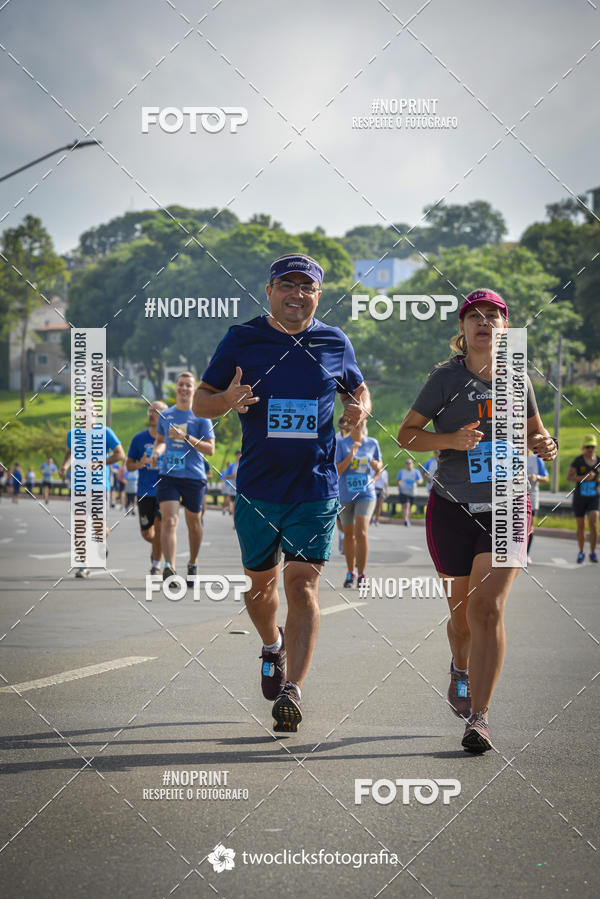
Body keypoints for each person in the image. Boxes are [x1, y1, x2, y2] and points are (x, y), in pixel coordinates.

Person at [192, 253, 369, 733]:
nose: (297, 294)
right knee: (260, 588)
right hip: (258, 487)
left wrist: (358, 409)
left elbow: (357, 389)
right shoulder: (241, 338)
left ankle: (292, 688)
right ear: (269, 291)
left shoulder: (334, 341)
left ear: (318, 295)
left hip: (316, 486)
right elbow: (200, 401)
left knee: (302, 584)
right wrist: (226, 400)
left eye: (306, 287)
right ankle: (272, 644)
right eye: (287, 285)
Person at [398, 288, 557, 753]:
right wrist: (450, 440)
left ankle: (480, 717)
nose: (484, 322)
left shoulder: (517, 380)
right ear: (463, 329)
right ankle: (460, 667)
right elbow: (408, 436)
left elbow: (537, 435)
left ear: (505, 328)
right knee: (462, 618)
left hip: (508, 504)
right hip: (452, 506)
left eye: (493, 316)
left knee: (487, 608)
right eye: (475, 316)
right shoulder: (444, 379)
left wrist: (545, 444)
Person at [151, 371, 215, 585]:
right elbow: (161, 441)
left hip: (193, 477)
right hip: (168, 475)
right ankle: (169, 567)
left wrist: (186, 437)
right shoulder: (166, 415)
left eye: (188, 385)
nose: (184, 388)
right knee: (169, 520)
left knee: (193, 522)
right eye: (181, 384)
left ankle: (193, 562)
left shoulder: (201, 417)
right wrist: (156, 453)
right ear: (176, 387)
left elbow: (210, 449)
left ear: (194, 389)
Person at [60, 408, 125, 577]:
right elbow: (70, 453)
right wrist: (65, 466)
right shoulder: (73, 434)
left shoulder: (105, 432)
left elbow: (120, 455)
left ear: (96, 413)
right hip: (79, 486)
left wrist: (100, 462)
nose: (85, 413)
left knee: (99, 529)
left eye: (89, 410)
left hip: (99, 486)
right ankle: (83, 565)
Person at [336, 422, 382, 587]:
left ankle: (362, 574)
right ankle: (351, 572)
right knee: (349, 535)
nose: (359, 422)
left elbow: (379, 467)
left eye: (362, 419)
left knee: (361, 531)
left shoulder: (372, 443)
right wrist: (352, 454)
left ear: (365, 422)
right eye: (356, 419)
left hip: (366, 494)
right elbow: (337, 470)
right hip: (345, 495)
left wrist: (376, 469)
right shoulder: (341, 443)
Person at [126, 401, 167, 575]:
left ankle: (156, 564)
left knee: (160, 526)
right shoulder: (139, 439)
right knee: (147, 534)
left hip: (165, 491)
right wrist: (139, 464)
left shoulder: (172, 438)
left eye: (155, 411)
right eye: (149, 411)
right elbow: (128, 465)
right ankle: (159, 546)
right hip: (144, 492)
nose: (151, 414)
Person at [567, 434, 599, 564]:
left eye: (592, 446)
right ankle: (581, 552)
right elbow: (569, 477)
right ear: (583, 447)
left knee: (593, 522)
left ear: (595, 447)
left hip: (594, 497)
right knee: (581, 526)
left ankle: (593, 552)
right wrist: (583, 477)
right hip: (580, 498)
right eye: (588, 447)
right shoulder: (578, 461)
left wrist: (596, 478)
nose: (590, 449)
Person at [526, 449, 549, 563]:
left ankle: (526, 554)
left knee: (529, 527)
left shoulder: (537, 459)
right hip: (514, 496)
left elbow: (546, 477)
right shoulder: (512, 455)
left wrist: (537, 477)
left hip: (532, 497)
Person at [396, 458, 423, 525]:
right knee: (406, 505)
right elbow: (398, 480)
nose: (408, 465)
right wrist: (399, 486)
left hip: (412, 492)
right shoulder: (402, 472)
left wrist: (417, 481)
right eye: (407, 463)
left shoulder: (416, 472)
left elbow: (420, 480)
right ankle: (405, 519)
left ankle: (407, 519)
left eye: (409, 463)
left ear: (412, 464)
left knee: (409, 507)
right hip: (404, 491)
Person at [221, 450, 241, 516]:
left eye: (240, 455)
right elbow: (226, 476)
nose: (238, 456)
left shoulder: (244, 464)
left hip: (242, 489)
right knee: (234, 505)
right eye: (237, 455)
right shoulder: (232, 466)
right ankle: (234, 520)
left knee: (238, 506)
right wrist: (233, 476)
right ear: (235, 456)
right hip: (233, 489)